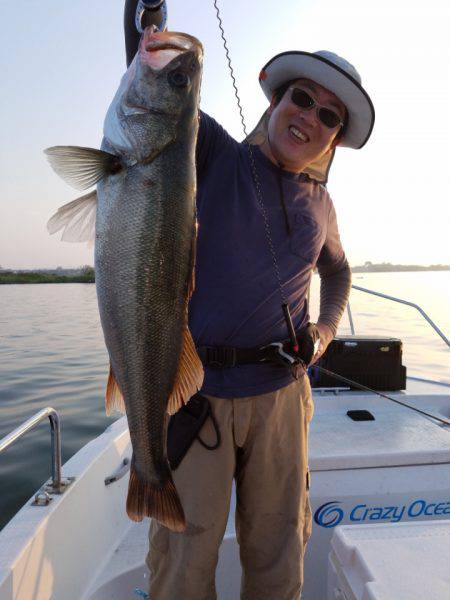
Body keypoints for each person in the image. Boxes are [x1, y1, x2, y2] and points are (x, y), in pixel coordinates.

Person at [124, 2, 375, 598]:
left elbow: (338, 274)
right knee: (184, 563)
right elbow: (157, 99)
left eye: (330, 116)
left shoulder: (322, 206)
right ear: (276, 102)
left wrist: (324, 330)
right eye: (302, 99)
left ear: (334, 137)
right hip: (197, 395)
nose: (310, 117)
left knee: (278, 553)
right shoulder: (212, 154)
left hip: (284, 401)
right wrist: (146, 24)